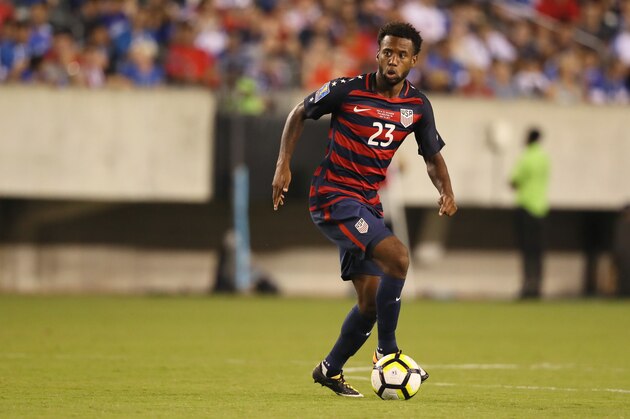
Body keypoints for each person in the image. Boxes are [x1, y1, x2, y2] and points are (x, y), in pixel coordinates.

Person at [271, 21, 457, 397]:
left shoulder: (417, 105)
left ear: (413, 60)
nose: (393, 60)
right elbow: (298, 113)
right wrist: (283, 163)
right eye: (387, 52)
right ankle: (388, 353)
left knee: (371, 303)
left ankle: (329, 369)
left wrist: (447, 191)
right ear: (378, 53)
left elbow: (432, 157)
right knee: (399, 257)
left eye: (401, 55)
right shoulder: (347, 89)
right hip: (333, 196)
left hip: (367, 203)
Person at [510, 127, 550, 299]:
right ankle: (538, 285)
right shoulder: (544, 158)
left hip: (526, 205)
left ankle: (528, 286)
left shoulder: (526, 157)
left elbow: (514, 181)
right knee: (538, 250)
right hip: (541, 207)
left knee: (527, 250)